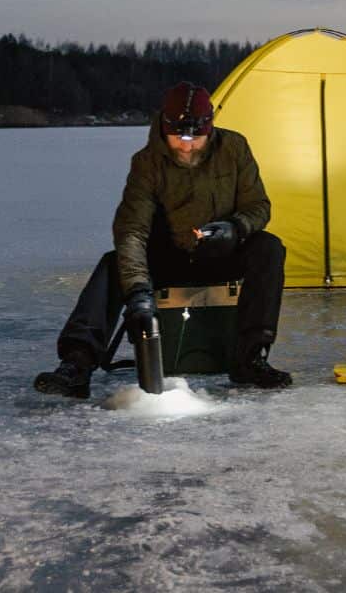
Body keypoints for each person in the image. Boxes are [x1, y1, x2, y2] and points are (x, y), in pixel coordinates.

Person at [34, 81, 292, 397]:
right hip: (171, 256)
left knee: (268, 248)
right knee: (114, 264)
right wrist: (139, 291)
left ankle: (252, 357)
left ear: (209, 130)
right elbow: (132, 230)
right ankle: (77, 362)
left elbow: (259, 206)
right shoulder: (147, 163)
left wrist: (235, 228)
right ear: (164, 128)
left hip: (221, 252)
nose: (186, 147)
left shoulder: (234, 148)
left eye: (195, 138)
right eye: (178, 139)